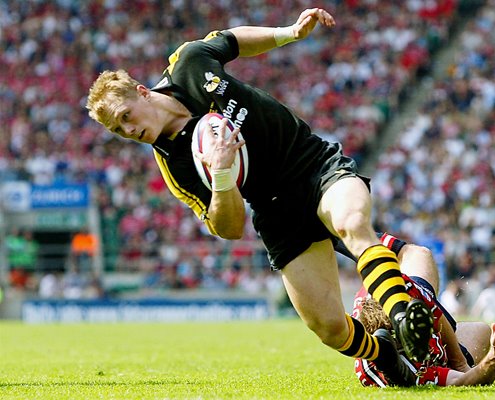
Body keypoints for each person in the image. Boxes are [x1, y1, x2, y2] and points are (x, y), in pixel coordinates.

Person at [86, 7, 432, 385]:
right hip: (273, 208)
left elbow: (231, 40)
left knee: (352, 224)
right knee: (329, 328)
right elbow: (229, 228)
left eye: (125, 116)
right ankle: (386, 355)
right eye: (119, 130)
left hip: (310, 162)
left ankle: (402, 315)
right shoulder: (175, 168)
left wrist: (289, 33)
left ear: (141, 92)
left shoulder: (189, 62)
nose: (129, 129)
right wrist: (221, 176)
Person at [344, 234, 495, 387]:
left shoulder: (401, 288)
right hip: (435, 360)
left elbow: (434, 310)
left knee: (421, 254)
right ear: (398, 346)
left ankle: (344, 232)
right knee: (481, 331)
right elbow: (460, 381)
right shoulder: (411, 372)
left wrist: (460, 362)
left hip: (408, 300)